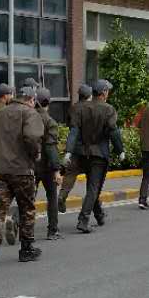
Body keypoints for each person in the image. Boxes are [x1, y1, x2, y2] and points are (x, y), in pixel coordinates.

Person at [0, 82, 44, 267]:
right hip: (22, 169)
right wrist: (35, 154)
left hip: (1, 169)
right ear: (31, 99)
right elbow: (32, 137)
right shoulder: (30, 113)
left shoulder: (0, 113)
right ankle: (26, 248)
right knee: (27, 208)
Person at [72, 78, 122, 233]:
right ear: (103, 93)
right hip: (99, 154)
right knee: (94, 188)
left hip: (84, 153)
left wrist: (69, 151)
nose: (108, 93)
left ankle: (99, 215)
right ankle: (83, 219)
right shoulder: (108, 109)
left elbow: (75, 131)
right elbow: (113, 131)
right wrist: (120, 150)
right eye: (108, 91)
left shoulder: (83, 108)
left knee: (93, 187)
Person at [33, 87, 64, 240]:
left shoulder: (28, 118)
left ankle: (17, 220)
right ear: (48, 102)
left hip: (30, 165)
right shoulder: (49, 122)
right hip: (46, 166)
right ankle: (52, 230)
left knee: (28, 198)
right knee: (52, 197)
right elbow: (51, 147)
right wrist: (57, 170)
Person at [57, 82, 92, 211]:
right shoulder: (92, 108)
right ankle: (94, 205)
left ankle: (62, 195)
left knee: (70, 174)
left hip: (74, 149)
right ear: (89, 95)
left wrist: (69, 151)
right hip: (89, 149)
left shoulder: (73, 108)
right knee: (92, 179)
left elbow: (70, 126)